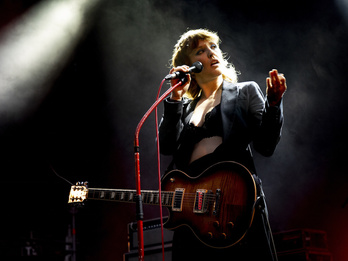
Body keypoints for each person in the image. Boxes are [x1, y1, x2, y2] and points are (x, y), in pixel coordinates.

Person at [158, 28, 286, 261]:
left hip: (233, 204)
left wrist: (274, 105)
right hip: (194, 214)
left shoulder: (244, 92)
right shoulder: (185, 109)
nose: (211, 53)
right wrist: (175, 97)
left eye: (213, 47)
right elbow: (166, 147)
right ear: (189, 66)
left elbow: (266, 146)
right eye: (200, 51)